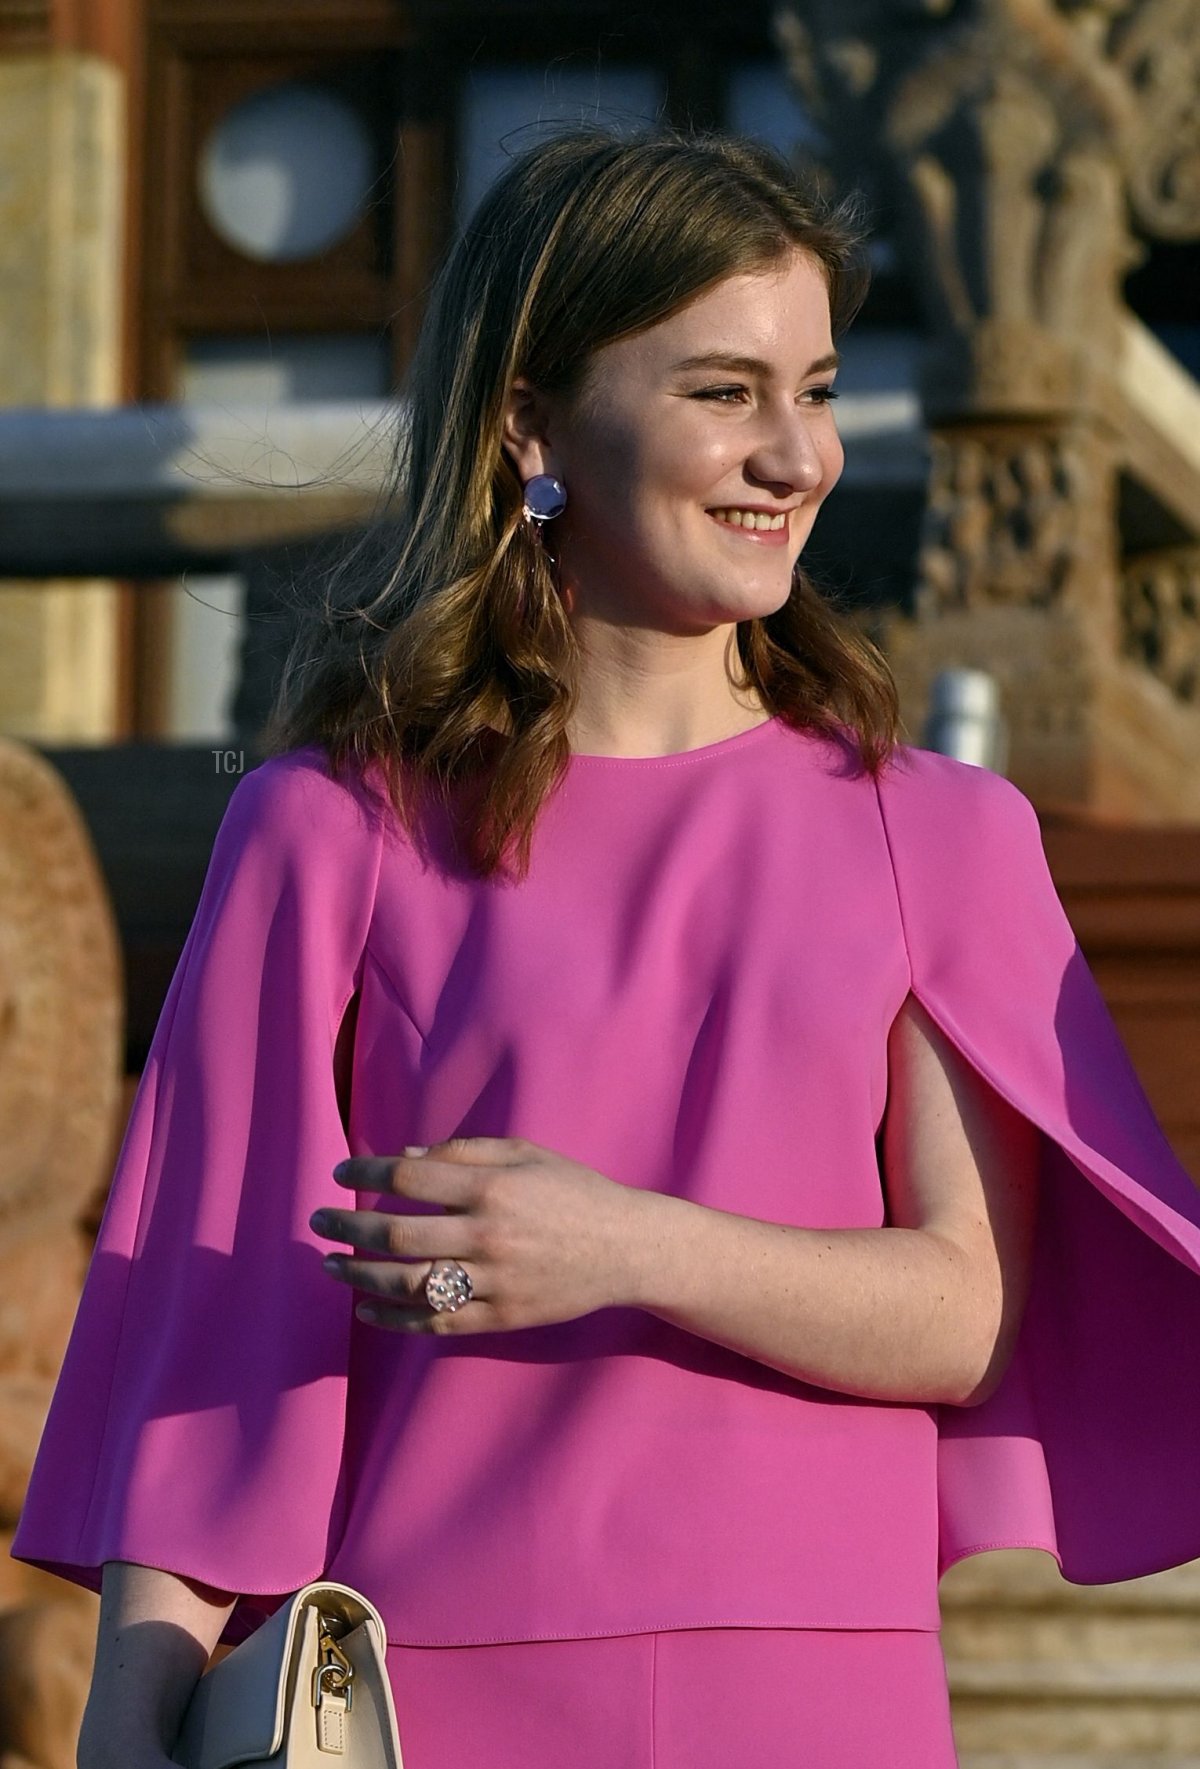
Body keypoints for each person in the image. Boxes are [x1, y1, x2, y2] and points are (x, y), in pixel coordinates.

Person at [12, 125, 1200, 1769]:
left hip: (819, 1702)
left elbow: (966, 1307)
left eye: (822, 389)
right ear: (531, 429)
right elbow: (213, 1331)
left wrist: (622, 1242)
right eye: (725, 392)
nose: (800, 455)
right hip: (419, 1697)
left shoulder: (939, 831)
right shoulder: (323, 826)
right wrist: (123, 1719)